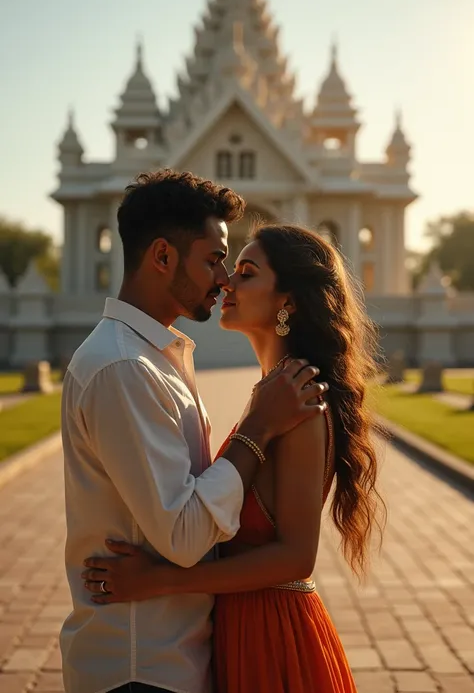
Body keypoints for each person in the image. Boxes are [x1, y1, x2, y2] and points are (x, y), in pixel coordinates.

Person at [82, 222, 387, 693]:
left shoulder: (300, 402)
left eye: (245, 272)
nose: (226, 281)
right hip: (239, 626)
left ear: (287, 300)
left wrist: (157, 581)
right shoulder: (274, 393)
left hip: (274, 635)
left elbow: (296, 557)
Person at [61, 170, 329, 693]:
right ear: (162, 257)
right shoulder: (124, 367)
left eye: (237, 267)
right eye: (214, 259)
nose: (225, 277)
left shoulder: (157, 360)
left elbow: (287, 548)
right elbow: (185, 535)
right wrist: (257, 425)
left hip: (189, 651)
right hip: (141, 660)